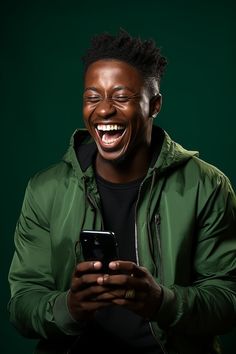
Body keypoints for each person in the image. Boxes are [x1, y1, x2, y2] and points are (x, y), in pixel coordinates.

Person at [8, 29, 236, 354]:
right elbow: (22, 305)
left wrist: (162, 301)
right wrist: (69, 307)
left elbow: (229, 299)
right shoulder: (45, 190)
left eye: (121, 96)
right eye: (92, 97)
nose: (103, 110)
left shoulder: (207, 186)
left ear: (154, 105)